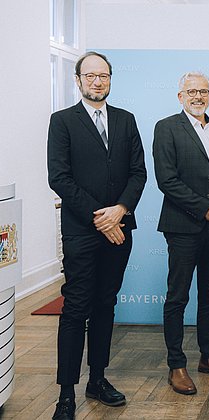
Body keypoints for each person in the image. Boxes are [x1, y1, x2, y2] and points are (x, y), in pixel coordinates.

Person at [47, 51, 147, 420]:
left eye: (103, 75)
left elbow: (138, 173)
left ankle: (98, 380)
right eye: (89, 75)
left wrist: (120, 210)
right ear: (78, 80)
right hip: (81, 231)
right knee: (76, 308)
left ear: (110, 79)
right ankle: (66, 394)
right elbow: (59, 178)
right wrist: (100, 218)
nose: (97, 81)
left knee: (106, 304)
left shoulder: (125, 119)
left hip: (120, 228)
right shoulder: (62, 121)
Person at [153, 71, 209, 395]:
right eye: (191, 91)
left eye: (203, 91)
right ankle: (176, 365)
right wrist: (205, 207)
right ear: (180, 96)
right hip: (183, 226)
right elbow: (166, 179)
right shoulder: (167, 128)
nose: (198, 96)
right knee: (178, 296)